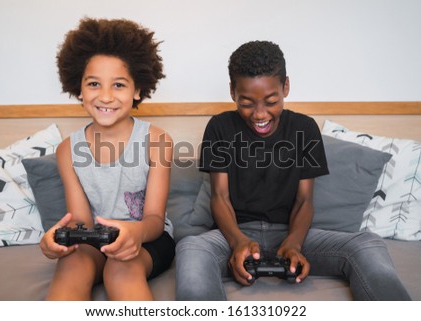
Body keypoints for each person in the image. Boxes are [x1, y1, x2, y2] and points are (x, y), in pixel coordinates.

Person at [175, 40, 411, 301]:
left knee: (367, 243)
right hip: (234, 232)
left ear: (285, 87)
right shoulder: (219, 127)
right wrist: (237, 241)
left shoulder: (305, 129)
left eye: (271, 101)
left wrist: (294, 243)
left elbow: (304, 200)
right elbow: (220, 197)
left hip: (291, 233)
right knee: (191, 247)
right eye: (247, 103)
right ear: (232, 92)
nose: (259, 114)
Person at [40, 18, 175, 300]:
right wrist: (58, 240)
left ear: (137, 90)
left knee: (120, 268)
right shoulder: (67, 150)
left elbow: (154, 220)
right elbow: (80, 220)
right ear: (79, 88)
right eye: (93, 84)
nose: (105, 96)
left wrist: (133, 234)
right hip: (94, 238)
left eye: (118, 85)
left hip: (148, 238)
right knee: (71, 265)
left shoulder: (157, 141)